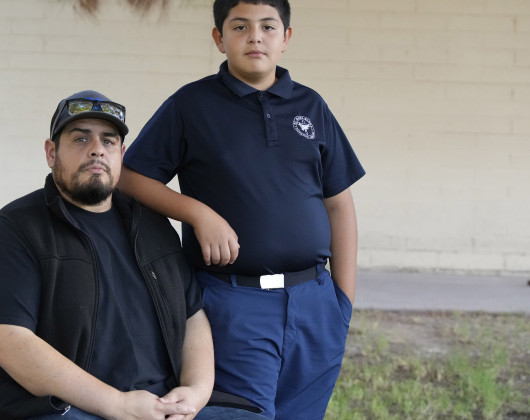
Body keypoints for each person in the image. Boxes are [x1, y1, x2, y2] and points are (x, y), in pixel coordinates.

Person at [118, 1, 366, 419]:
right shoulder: (191, 105)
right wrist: (197, 213)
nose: (255, 36)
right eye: (240, 26)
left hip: (315, 304)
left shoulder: (311, 106)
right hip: (233, 300)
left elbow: (339, 205)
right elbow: (131, 178)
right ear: (219, 38)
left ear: (285, 38)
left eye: (268, 26)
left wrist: (342, 301)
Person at [0, 90, 265, 420]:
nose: (96, 150)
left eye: (109, 141)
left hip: (160, 404)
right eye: (80, 139)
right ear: (51, 153)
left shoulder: (152, 226)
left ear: (121, 154)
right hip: (64, 407)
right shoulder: (18, 228)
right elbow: (5, 342)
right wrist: (116, 404)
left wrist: (194, 393)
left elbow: (193, 317)